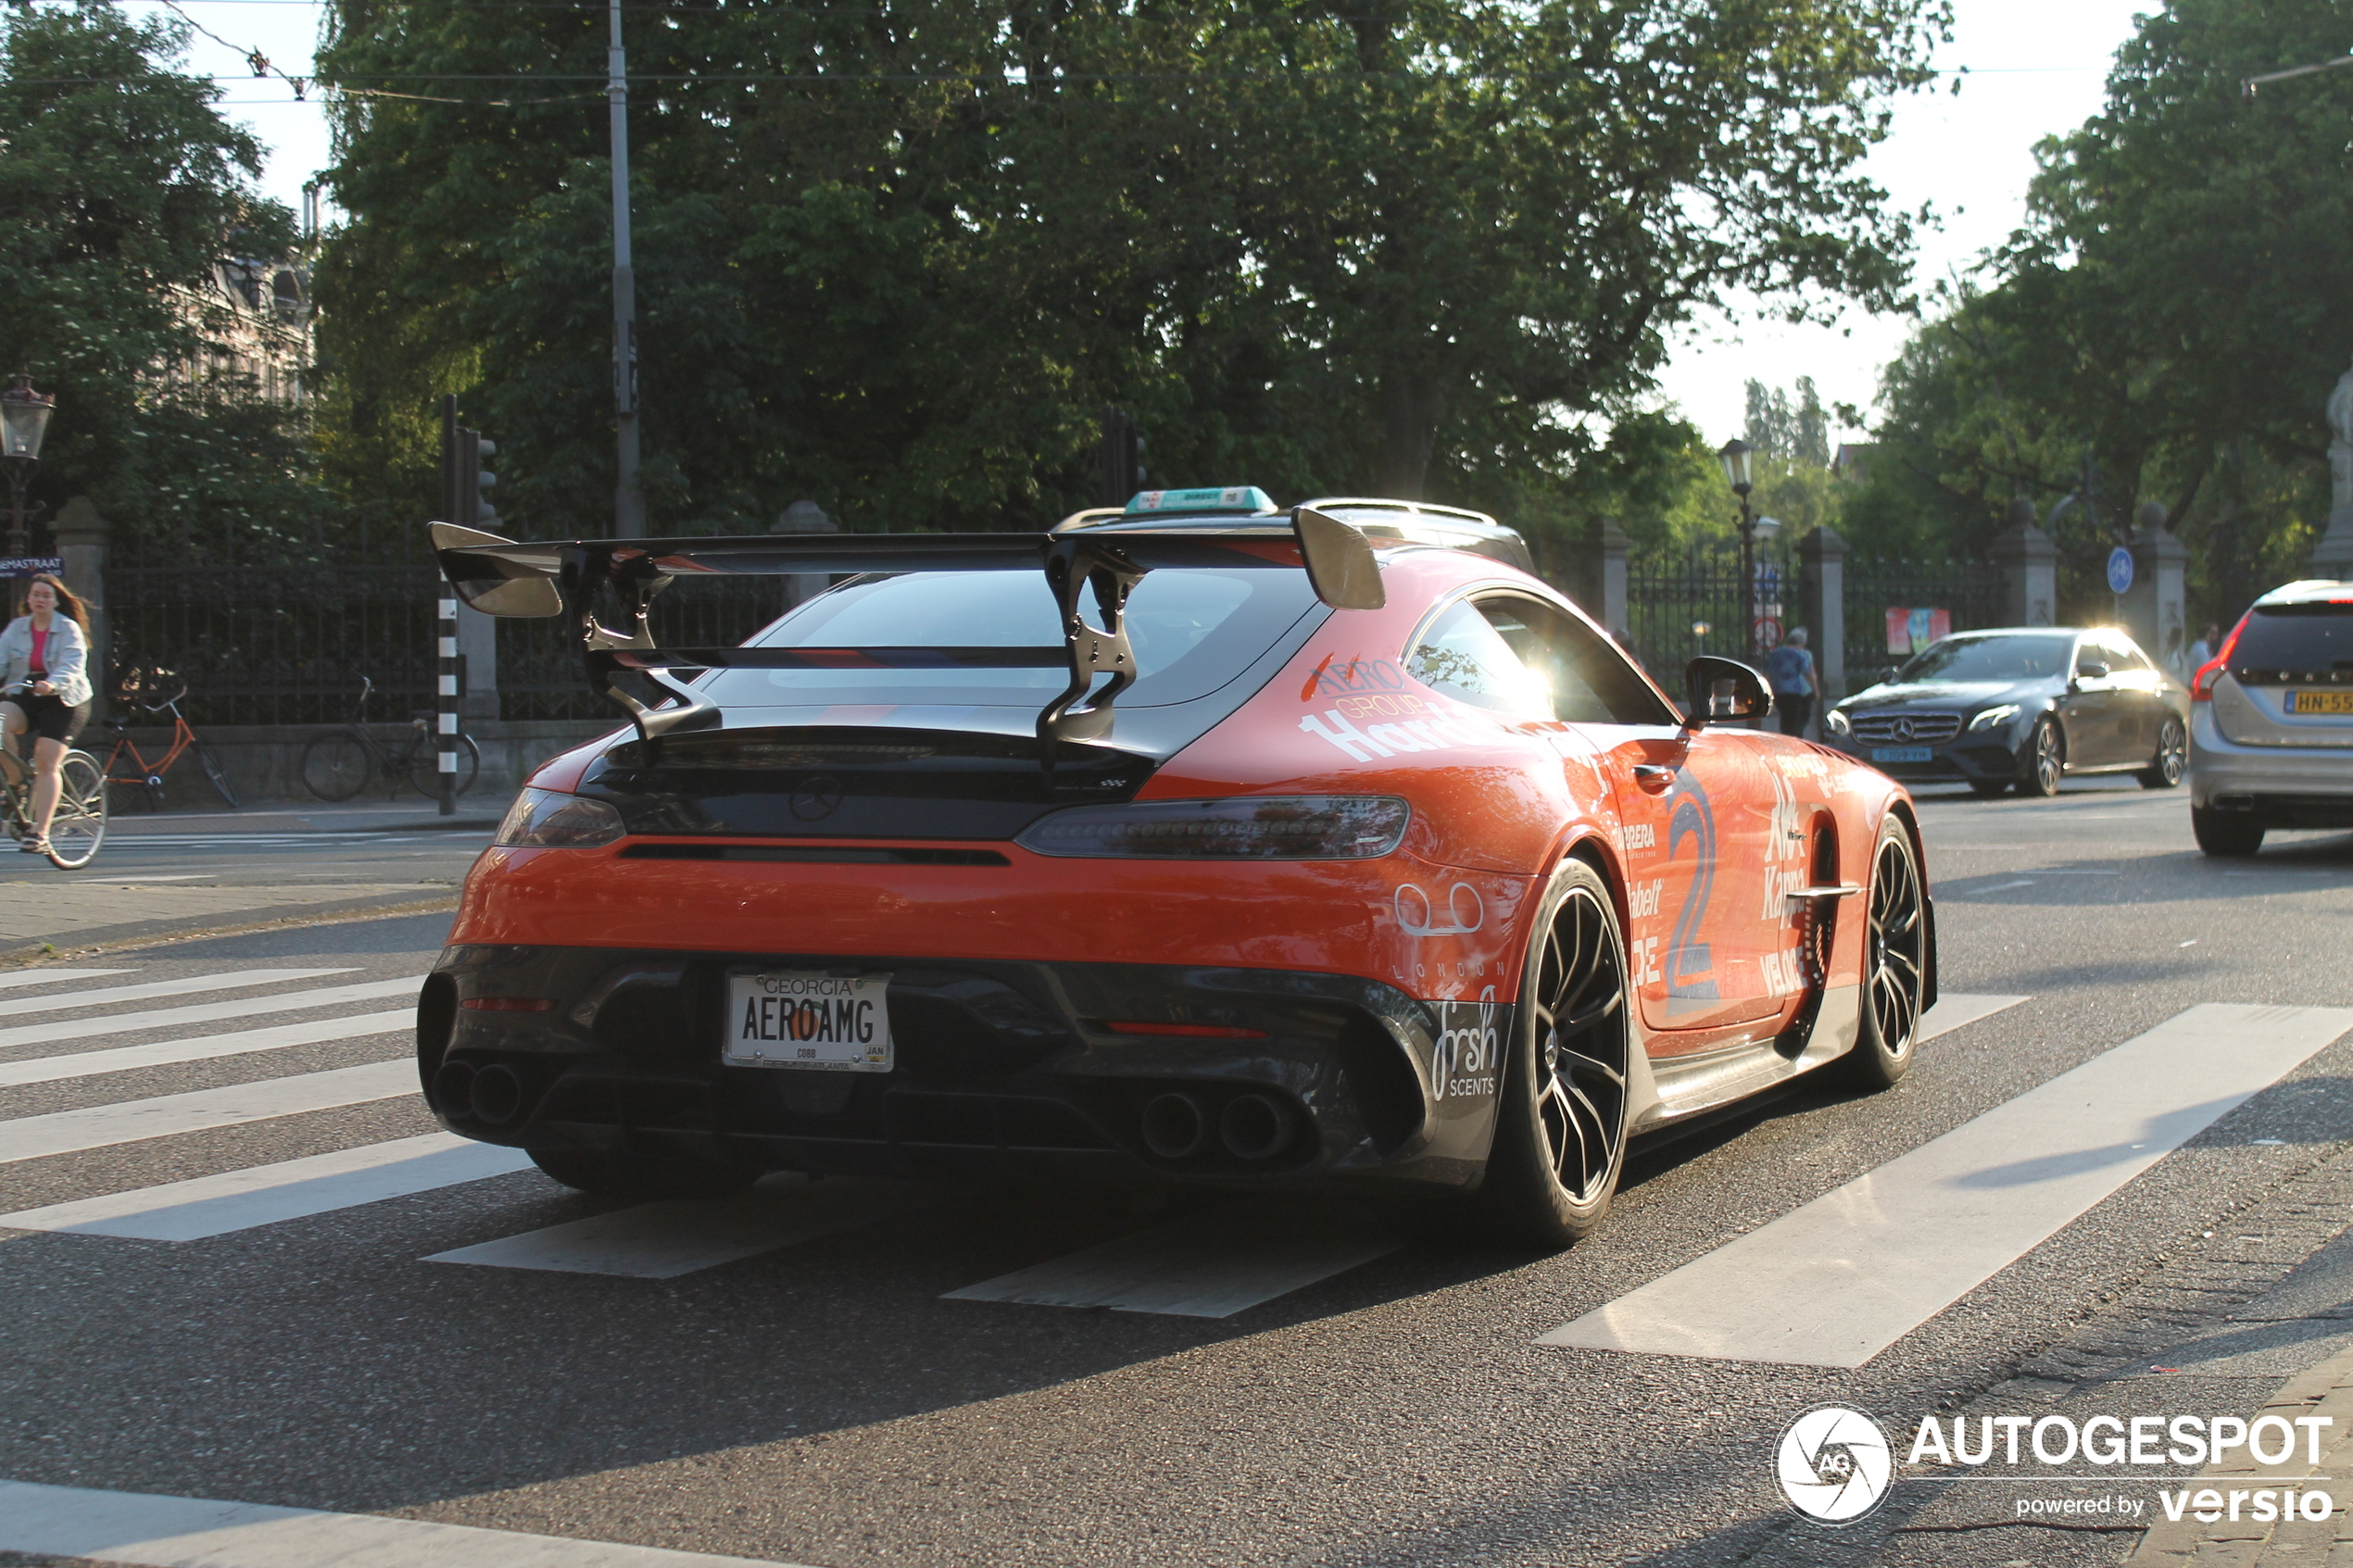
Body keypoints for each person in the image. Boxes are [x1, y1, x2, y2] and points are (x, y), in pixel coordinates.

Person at [0, 574, 95, 855]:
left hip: (64, 699)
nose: (40, 599)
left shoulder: (68, 629)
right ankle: (16, 785)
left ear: (55, 601)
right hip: (27, 692)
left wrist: (52, 683)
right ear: (27, 599)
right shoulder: (17, 628)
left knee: (46, 760)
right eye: (35, 594)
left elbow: (73, 664)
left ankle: (40, 833)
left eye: (46, 595)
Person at [1763, 627, 1816, 737]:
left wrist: (1767, 691)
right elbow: (1809, 673)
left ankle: (1787, 739)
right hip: (1797, 692)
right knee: (1797, 722)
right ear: (1802, 642)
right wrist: (1816, 689)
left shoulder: (1774, 653)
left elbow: (1768, 674)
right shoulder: (1802, 654)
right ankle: (1794, 743)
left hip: (1779, 691)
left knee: (1786, 719)